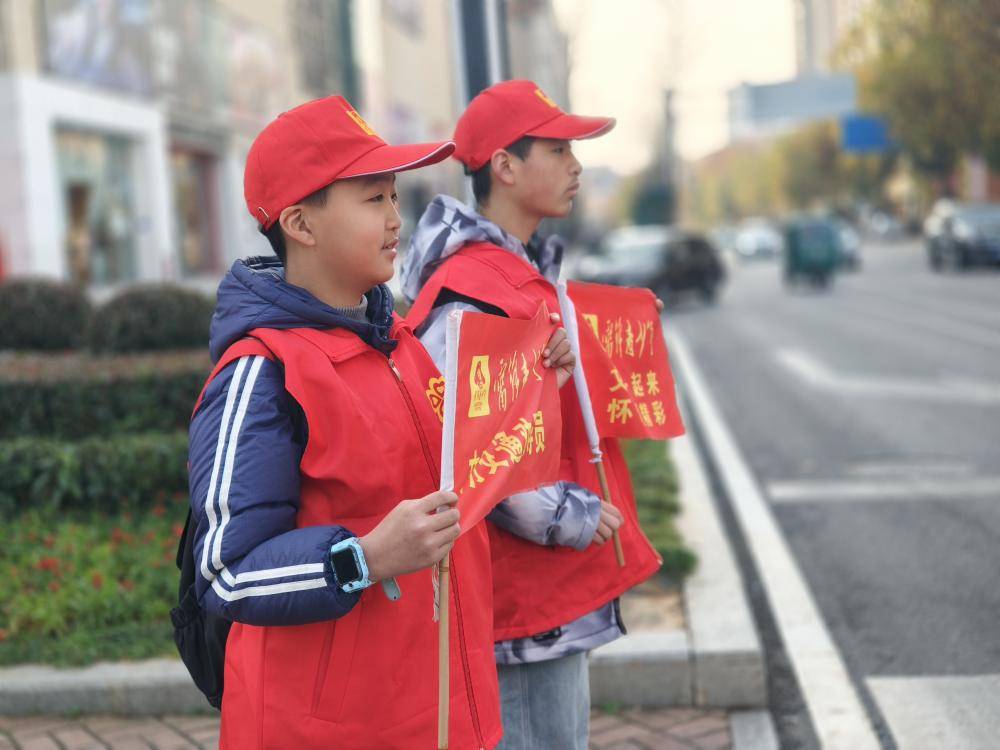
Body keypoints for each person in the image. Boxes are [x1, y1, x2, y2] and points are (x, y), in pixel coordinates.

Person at [186, 95, 503, 749]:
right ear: (301, 223)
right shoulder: (262, 371)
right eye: (371, 199)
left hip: (441, 708)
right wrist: (362, 557)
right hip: (333, 729)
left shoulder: (403, 345)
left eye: (394, 197)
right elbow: (224, 570)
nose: (395, 219)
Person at [401, 79, 664, 750]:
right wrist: (569, 514)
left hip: (541, 593)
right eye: (559, 149)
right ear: (506, 166)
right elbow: (459, 445)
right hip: (518, 604)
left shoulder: (522, 273)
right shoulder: (471, 294)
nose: (576, 165)